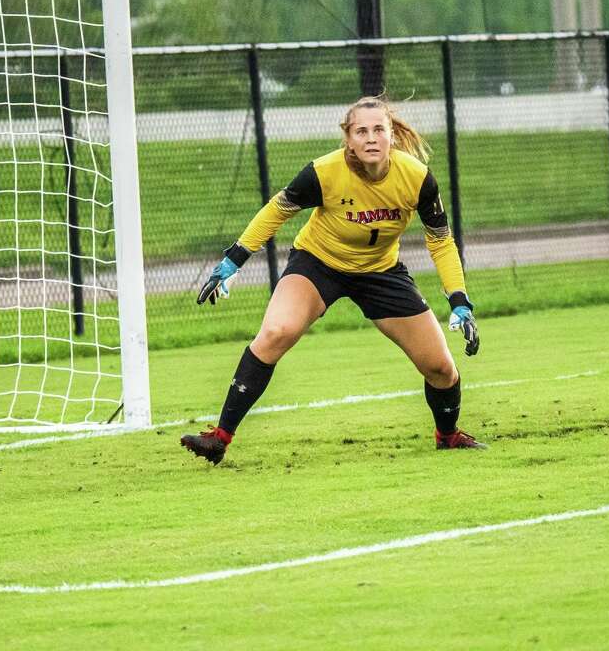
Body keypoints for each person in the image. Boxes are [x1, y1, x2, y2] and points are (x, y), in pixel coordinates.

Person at [180, 95, 482, 465]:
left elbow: (440, 240)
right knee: (276, 332)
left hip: (380, 272)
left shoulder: (417, 178)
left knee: (440, 367)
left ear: (391, 136)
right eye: (361, 131)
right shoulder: (324, 173)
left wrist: (459, 300)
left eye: (378, 130)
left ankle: (447, 437)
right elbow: (278, 210)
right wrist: (234, 259)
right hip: (318, 264)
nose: (371, 137)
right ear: (349, 139)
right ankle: (219, 438)